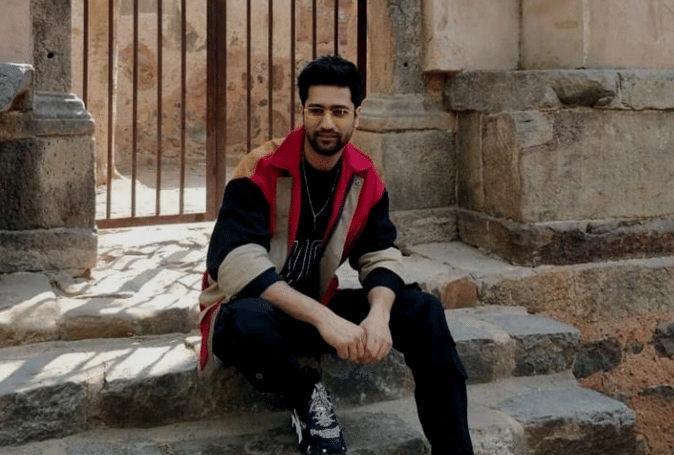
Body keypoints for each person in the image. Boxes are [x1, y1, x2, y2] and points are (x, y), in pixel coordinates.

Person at [198, 55, 474, 455]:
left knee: (424, 311)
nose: (327, 122)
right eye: (317, 110)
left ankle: (455, 450)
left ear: (356, 116)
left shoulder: (364, 177)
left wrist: (378, 315)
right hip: (253, 313)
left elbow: (380, 254)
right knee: (248, 322)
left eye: (339, 111)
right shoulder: (261, 168)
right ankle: (305, 393)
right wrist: (325, 319)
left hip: (313, 308)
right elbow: (236, 261)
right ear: (303, 112)